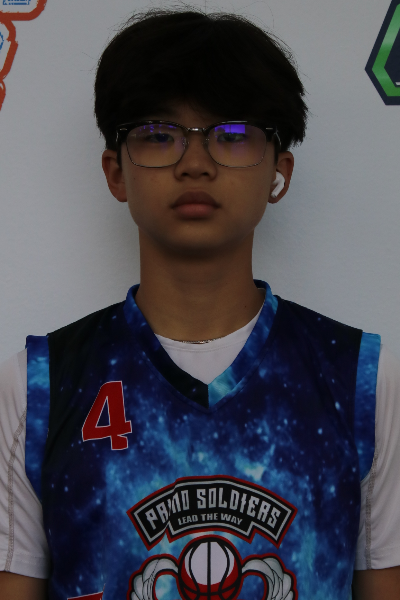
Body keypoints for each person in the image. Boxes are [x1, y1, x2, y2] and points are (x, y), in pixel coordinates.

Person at [0, 8, 400, 600]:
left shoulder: (364, 380)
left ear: (279, 170)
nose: (195, 163)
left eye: (232, 134)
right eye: (159, 134)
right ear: (115, 171)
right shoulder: (38, 386)